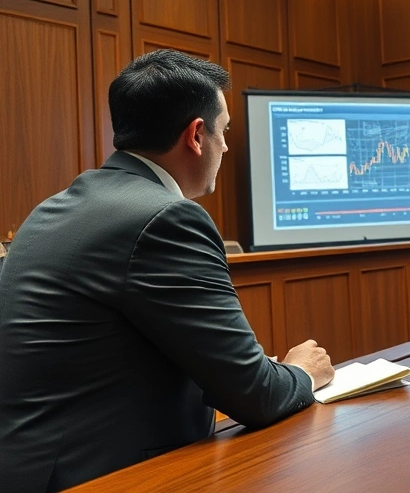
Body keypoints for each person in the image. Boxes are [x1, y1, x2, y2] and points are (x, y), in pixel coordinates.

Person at [0, 50, 336, 492]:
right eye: (225, 131)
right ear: (197, 135)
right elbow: (256, 397)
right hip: (95, 476)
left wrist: (242, 372)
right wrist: (302, 372)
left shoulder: (61, 204)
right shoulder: (166, 218)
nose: (227, 147)